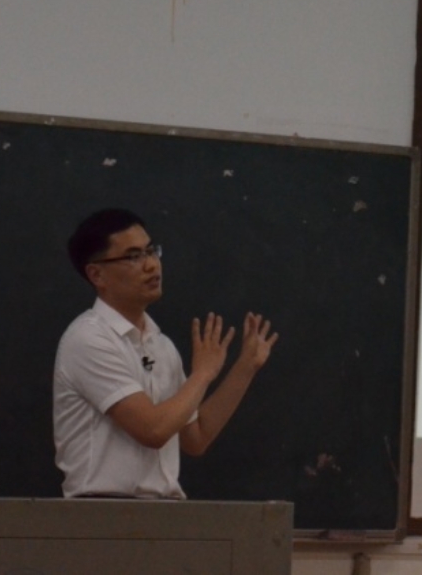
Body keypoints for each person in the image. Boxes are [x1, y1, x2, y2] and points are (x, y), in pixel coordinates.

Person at [54, 208, 277, 498]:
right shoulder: (88, 338)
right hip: (103, 513)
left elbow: (196, 438)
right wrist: (203, 374)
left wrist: (245, 368)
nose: (151, 265)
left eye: (151, 251)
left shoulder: (161, 345)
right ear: (97, 274)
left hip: (164, 513)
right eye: (134, 257)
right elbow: (153, 431)